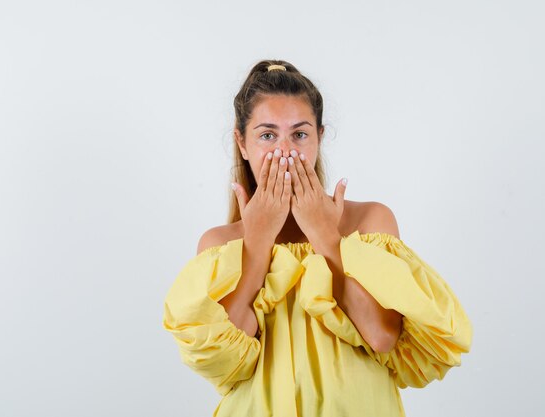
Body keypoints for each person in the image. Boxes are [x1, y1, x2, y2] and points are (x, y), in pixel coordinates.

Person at [162, 59, 473, 416]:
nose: (285, 151)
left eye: (300, 134)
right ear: (242, 143)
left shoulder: (370, 220)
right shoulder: (219, 245)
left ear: (319, 138)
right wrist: (257, 242)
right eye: (267, 135)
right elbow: (226, 359)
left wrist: (326, 237)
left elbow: (382, 336)